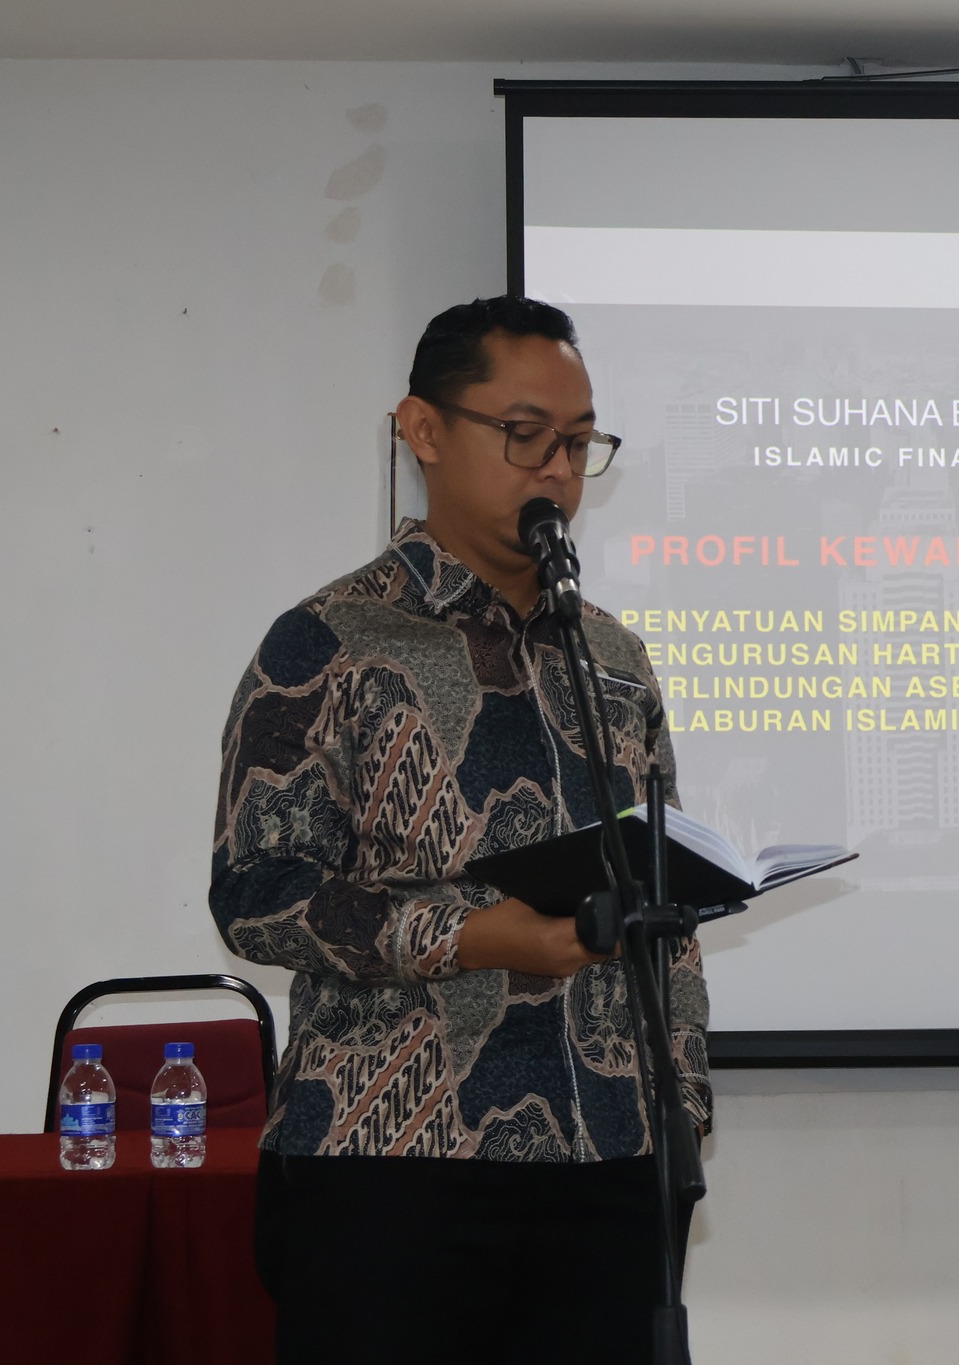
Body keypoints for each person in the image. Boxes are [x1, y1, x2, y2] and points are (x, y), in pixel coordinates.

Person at [209, 296, 708, 1364]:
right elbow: (255, 893)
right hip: (389, 1161)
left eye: (579, 443)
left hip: (610, 1161)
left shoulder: (615, 659)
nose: (558, 471)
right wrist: (473, 935)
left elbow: (663, 902)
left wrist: (682, 1114)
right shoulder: (329, 643)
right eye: (525, 435)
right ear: (423, 430)